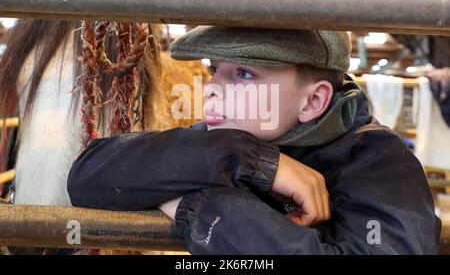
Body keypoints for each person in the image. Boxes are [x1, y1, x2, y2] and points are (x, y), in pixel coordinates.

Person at [67, 26, 441, 254]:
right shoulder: (226, 139)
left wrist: (197, 206)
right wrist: (252, 160)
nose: (211, 88)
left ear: (313, 101)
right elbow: (87, 177)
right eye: (215, 70)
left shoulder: (379, 163)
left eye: (244, 74)